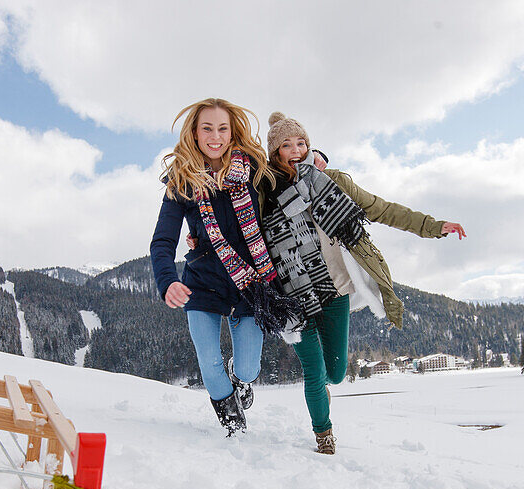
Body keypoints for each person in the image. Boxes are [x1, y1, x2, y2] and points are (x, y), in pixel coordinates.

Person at [258, 112, 466, 454]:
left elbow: (381, 209)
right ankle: (324, 435)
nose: (296, 150)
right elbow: (238, 224)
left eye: (301, 143)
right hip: (291, 294)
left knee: (335, 374)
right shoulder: (264, 189)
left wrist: (434, 225)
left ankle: (322, 392)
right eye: (286, 145)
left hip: (337, 288)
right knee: (314, 371)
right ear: (274, 152)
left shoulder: (333, 180)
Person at [149, 99, 304, 436]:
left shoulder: (255, 170)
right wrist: (167, 281)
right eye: (207, 128)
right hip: (202, 283)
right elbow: (162, 241)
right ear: (194, 132)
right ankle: (232, 422)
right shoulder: (182, 182)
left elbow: (293, 171)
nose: (215, 136)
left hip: (251, 284)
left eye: (222, 128)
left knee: (249, 368)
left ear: (233, 131)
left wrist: (316, 161)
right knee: (209, 364)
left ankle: (240, 378)